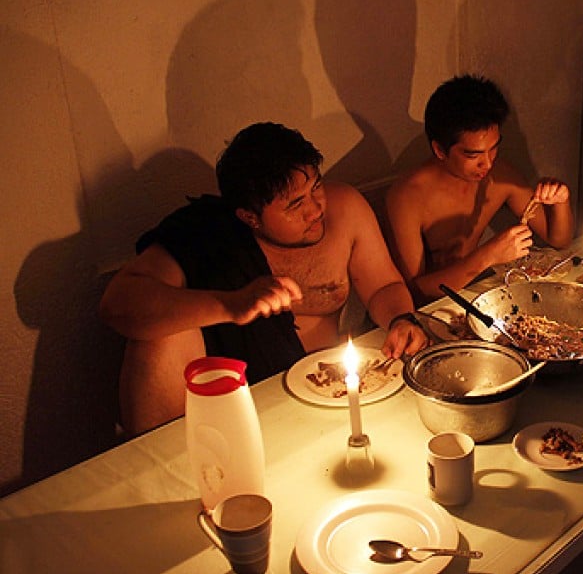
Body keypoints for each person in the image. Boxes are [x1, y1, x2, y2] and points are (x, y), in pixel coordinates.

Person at [100, 122, 428, 435]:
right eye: (295, 204)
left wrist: (400, 319)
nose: (315, 210)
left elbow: (384, 286)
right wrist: (231, 305)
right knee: (158, 334)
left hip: (332, 392)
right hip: (250, 402)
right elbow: (118, 304)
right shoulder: (208, 237)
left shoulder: (346, 209)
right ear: (250, 218)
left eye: (316, 188)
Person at [384, 74, 575, 303]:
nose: (487, 163)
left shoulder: (500, 176)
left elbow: (559, 239)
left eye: (493, 148)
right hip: (425, 314)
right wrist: (488, 256)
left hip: (471, 300)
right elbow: (413, 291)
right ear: (440, 150)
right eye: (472, 154)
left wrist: (561, 200)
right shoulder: (408, 196)